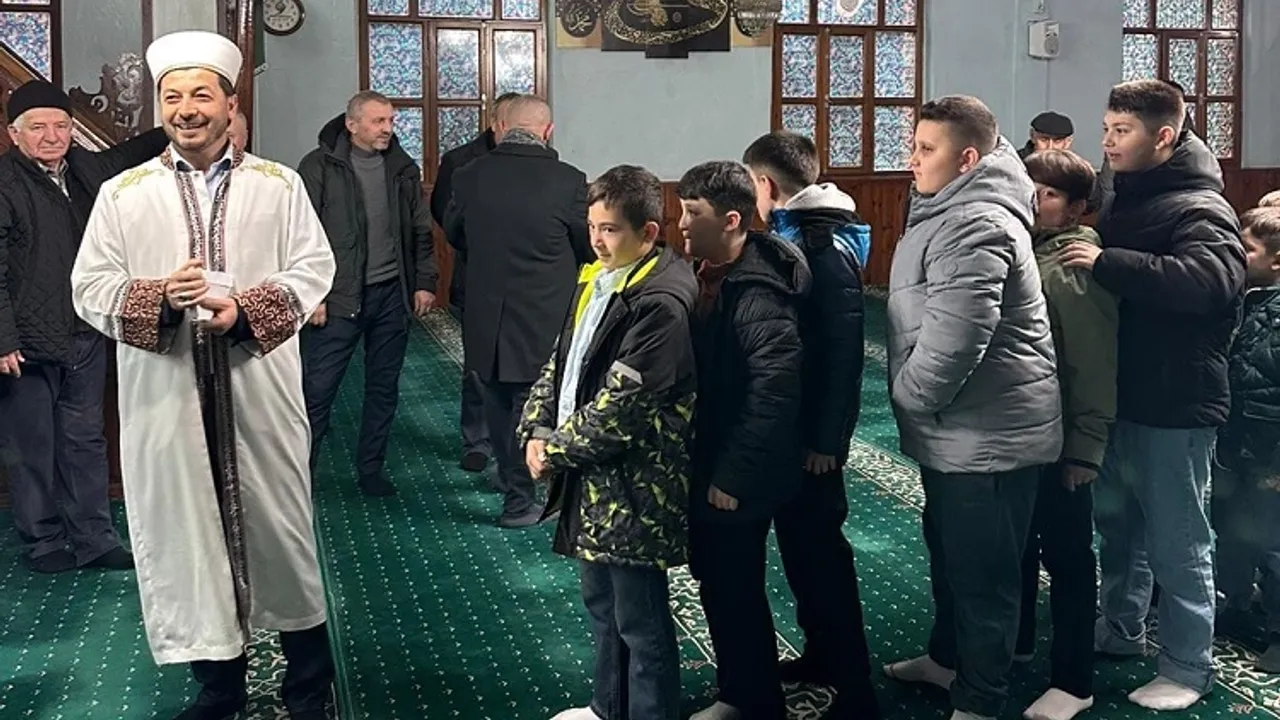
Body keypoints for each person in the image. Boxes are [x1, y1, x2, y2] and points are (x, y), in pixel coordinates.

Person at [69, 30, 337, 720]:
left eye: (200, 95)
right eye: (172, 97)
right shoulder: (123, 194)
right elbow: (90, 286)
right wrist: (161, 297)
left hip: (259, 393)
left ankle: (309, 686)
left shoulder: (279, 186)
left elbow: (313, 268)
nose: (186, 109)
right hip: (166, 399)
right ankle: (219, 689)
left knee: (282, 534)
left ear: (229, 104)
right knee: (186, 541)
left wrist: (244, 312)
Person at [1060, 78, 1244, 711]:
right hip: (1126, 392)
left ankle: (1189, 667)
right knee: (1120, 528)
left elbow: (1211, 282)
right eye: (1106, 129)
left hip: (1176, 401)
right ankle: (1122, 628)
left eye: (1122, 131)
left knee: (1178, 538)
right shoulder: (1127, 191)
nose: (1108, 142)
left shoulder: (1200, 206)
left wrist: (1108, 263)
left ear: (1163, 136)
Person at [882, 95, 1062, 720]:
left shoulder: (977, 223)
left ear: (966, 160)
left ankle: (981, 699)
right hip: (962, 429)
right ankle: (949, 659)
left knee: (984, 576)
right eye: (914, 145)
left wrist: (908, 399)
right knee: (952, 557)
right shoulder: (949, 207)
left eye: (926, 149)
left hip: (988, 433)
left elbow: (956, 341)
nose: (912, 159)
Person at [517, 165, 698, 720]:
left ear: (648, 232)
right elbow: (562, 361)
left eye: (610, 229)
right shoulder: (599, 276)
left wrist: (554, 451)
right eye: (592, 226)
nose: (596, 239)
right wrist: (536, 427)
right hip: (595, 480)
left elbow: (623, 410)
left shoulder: (660, 302)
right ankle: (608, 708)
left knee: (640, 621)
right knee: (603, 607)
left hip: (635, 486)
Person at [0, 80, 169, 573]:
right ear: (14, 134)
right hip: (25, 344)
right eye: (38, 127)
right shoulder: (5, 184)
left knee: (86, 440)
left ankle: (95, 539)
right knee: (30, 448)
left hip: (84, 332)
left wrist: (178, 123)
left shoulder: (85, 170)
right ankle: (44, 542)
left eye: (61, 125)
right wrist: (3, 339)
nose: (51, 136)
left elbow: (131, 154)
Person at [741, 130, 880, 718]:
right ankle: (823, 657)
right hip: (796, 429)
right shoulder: (799, 232)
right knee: (802, 553)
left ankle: (854, 687)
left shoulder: (822, 247)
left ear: (765, 184)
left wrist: (827, 440)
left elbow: (842, 354)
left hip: (814, 440)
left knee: (822, 559)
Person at [677, 160, 809, 720]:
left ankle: (749, 696)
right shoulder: (709, 272)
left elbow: (772, 393)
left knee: (734, 583)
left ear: (731, 220)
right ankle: (742, 686)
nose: (682, 224)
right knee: (717, 576)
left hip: (741, 469)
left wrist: (732, 475)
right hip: (715, 455)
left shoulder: (757, 292)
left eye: (693, 213)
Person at [444, 94, 590, 527]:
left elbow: (455, 234)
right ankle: (521, 496)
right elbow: (586, 246)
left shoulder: (468, 175)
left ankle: (511, 482)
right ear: (548, 132)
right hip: (544, 312)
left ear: (501, 129)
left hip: (486, 310)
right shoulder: (569, 180)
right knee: (534, 404)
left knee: (496, 398)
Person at [1016, 149, 1118, 720]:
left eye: (1049, 194)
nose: (1035, 200)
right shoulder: (1033, 251)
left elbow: (1092, 365)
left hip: (1063, 439)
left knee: (1069, 557)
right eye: (1031, 188)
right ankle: (1019, 642)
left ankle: (1074, 680)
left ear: (1078, 208)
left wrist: (1084, 448)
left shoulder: (1074, 267)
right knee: (1021, 544)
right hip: (1028, 431)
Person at [298, 90, 438, 497]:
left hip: (391, 295)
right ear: (352, 124)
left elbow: (419, 229)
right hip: (337, 298)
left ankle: (371, 470)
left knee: (383, 388)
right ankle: (300, 476)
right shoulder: (318, 166)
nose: (387, 129)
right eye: (379, 121)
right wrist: (313, 295)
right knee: (317, 391)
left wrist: (424, 282)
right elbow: (301, 235)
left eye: (390, 121)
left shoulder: (401, 168)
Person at [430, 91, 519, 474]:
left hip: (524, 282)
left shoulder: (535, 159)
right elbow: (444, 214)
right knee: (478, 366)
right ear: (496, 122)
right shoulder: (461, 162)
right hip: (477, 275)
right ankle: (477, 440)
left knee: (521, 367)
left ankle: (513, 442)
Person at [1212, 206, 1280, 676]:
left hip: (1271, 448)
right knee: (1234, 530)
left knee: (1274, 541)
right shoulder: (1244, 300)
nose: (1237, 254)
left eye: (1248, 249)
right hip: (1236, 441)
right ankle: (1238, 602)